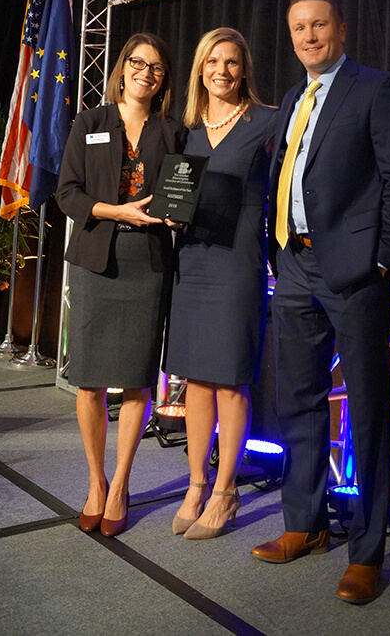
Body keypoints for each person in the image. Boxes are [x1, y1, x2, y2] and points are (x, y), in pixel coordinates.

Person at [251, 0, 390, 604]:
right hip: (292, 266)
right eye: (299, 27)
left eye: (319, 25)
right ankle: (305, 525)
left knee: (370, 409)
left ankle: (368, 553)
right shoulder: (295, 96)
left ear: (341, 30)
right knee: (297, 401)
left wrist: (383, 262)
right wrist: (276, 254)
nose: (308, 36)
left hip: (353, 274)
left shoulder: (377, 89)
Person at [56, 33, 186, 538]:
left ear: (164, 79)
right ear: (122, 67)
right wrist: (115, 211)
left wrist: (176, 219)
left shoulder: (172, 132)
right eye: (137, 62)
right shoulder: (89, 121)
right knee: (89, 379)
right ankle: (95, 481)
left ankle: (121, 485)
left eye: (155, 67)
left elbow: (179, 199)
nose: (145, 73)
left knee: (135, 379)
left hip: (147, 263)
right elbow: (67, 192)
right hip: (94, 258)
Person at [163, 27, 277, 539]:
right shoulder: (183, 131)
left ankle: (226, 491)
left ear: (244, 69)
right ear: (200, 70)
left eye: (232, 62)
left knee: (229, 380)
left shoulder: (267, 123)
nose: (222, 71)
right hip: (193, 263)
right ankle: (195, 482)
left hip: (237, 265)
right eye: (212, 61)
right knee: (197, 379)